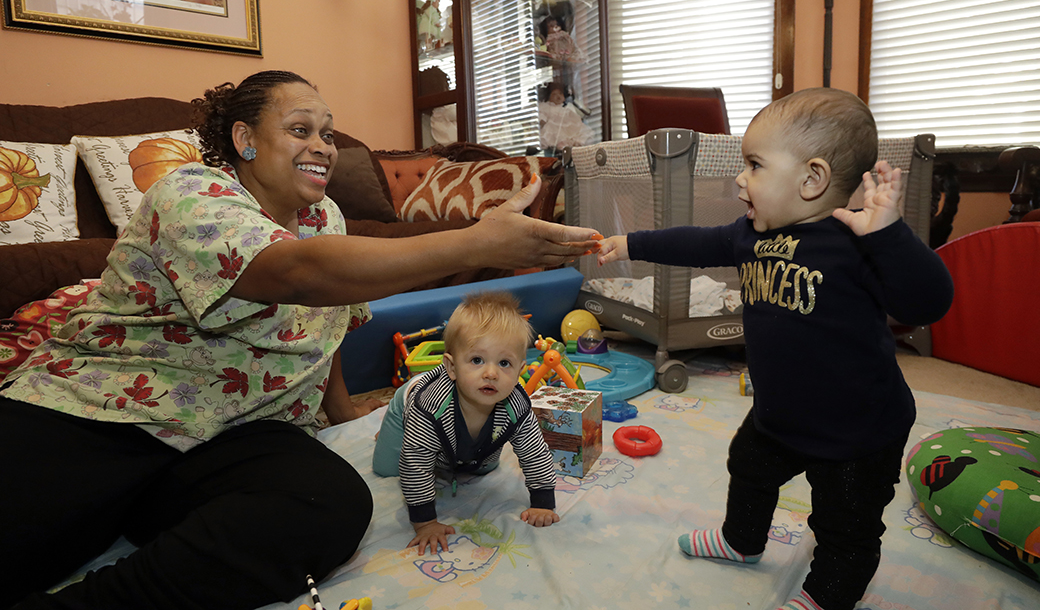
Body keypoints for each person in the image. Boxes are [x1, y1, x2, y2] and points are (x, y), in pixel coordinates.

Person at [0, 70, 599, 610]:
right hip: (101, 415)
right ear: (245, 140)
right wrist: (474, 241)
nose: (322, 146)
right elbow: (297, 274)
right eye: (300, 129)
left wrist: (339, 411)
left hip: (233, 435)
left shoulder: (327, 219)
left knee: (330, 505)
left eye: (329, 134)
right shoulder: (191, 193)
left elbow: (330, 318)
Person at [596, 87, 954, 610]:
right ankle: (741, 541)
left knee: (844, 525)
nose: (741, 178)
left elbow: (930, 302)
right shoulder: (750, 234)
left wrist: (890, 235)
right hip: (778, 416)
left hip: (858, 429)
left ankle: (826, 596)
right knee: (747, 466)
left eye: (755, 165)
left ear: (812, 179)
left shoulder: (856, 243)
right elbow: (695, 242)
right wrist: (630, 244)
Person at [371, 290, 559, 555]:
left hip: (472, 433)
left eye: (504, 363)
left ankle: (465, 442)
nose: (491, 373)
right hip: (409, 404)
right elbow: (415, 466)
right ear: (452, 367)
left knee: (481, 468)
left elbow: (534, 451)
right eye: (477, 360)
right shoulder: (429, 409)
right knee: (388, 467)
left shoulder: (515, 406)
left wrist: (543, 503)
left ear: (519, 371)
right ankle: (394, 431)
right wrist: (425, 523)